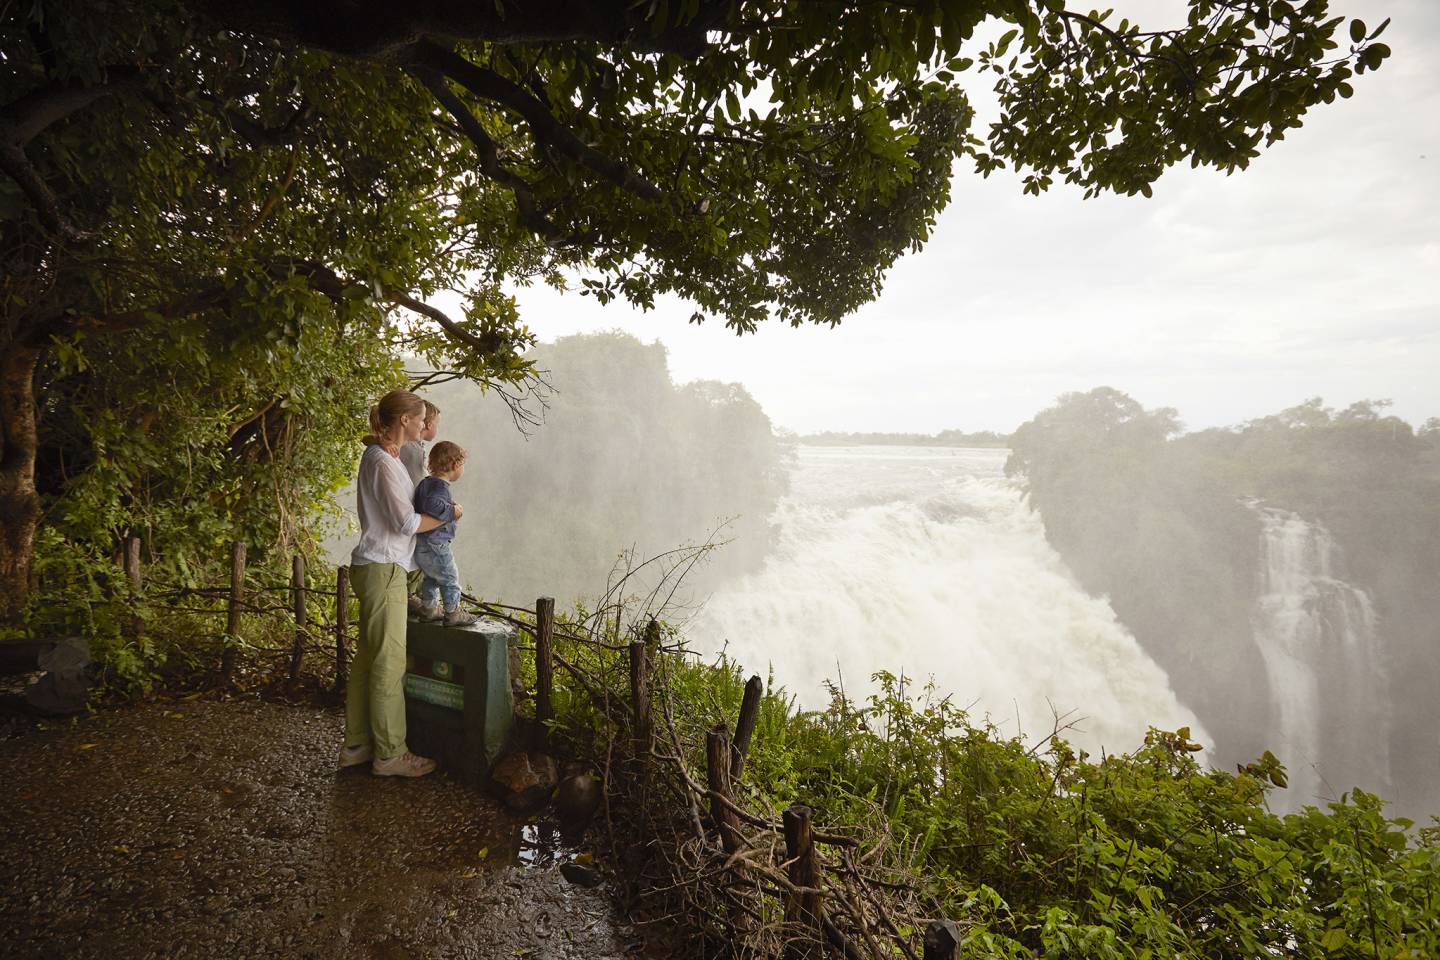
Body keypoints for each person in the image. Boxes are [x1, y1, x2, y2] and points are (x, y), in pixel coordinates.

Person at [340, 389, 444, 778]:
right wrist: (448, 517)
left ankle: (357, 745)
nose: (423, 426)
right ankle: (390, 754)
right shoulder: (383, 461)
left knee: (368, 659)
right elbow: (405, 523)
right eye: (419, 420)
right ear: (404, 420)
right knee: (388, 662)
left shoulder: (382, 456)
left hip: (377, 567)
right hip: (384, 569)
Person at [412, 441, 478, 626]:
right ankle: (452, 612)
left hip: (422, 543)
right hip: (436, 543)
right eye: (462, 465)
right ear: (455, 465)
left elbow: (426, 504)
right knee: (449, 577)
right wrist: (452, 512)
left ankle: (430, 608)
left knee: (432, 577)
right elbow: (432, 505)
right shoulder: (440, 487)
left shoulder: (425, 484)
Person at [401, 400, 440, 616]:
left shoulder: (415, 448)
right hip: (411, 513)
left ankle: (417, 597)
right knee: (422, 552)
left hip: (411, 512)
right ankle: (413, 598)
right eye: (437, 423)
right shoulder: (412, 450)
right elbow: (416, 484)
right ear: (427, 424)